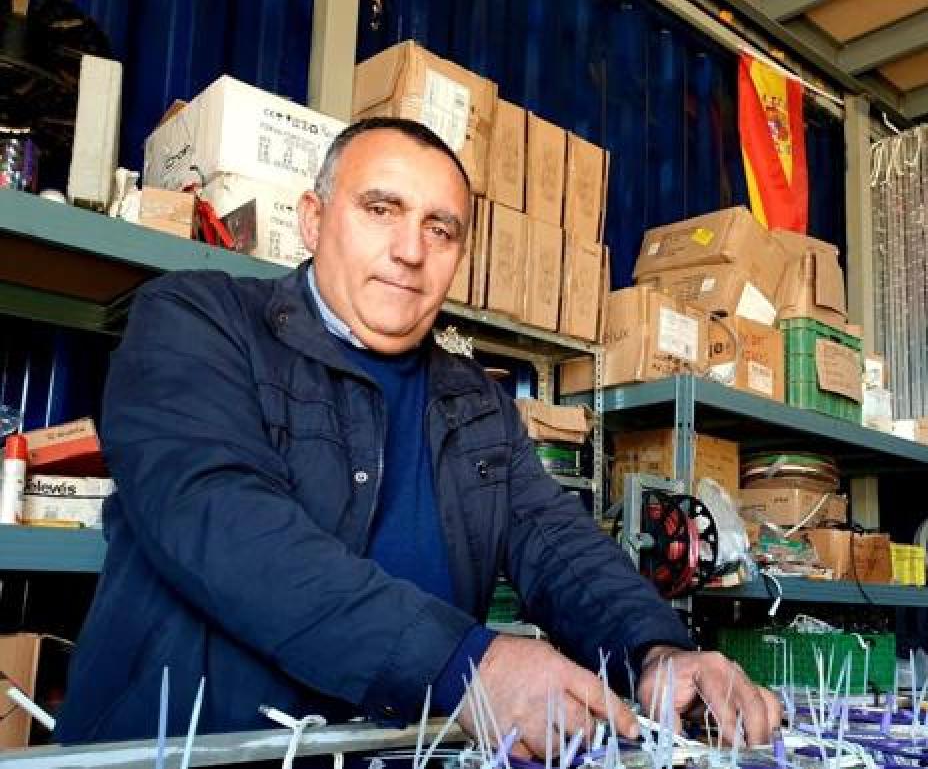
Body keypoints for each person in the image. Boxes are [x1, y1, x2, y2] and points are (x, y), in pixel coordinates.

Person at [55, 118, 780, 756]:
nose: (411, 249)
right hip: (196, 752)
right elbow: (221, 520)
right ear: (312, 219)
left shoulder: (479, 404)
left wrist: (655, 651)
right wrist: (466, 665)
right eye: (381, 209)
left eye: (441, 228)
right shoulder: (196, 321)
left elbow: (559, 545)